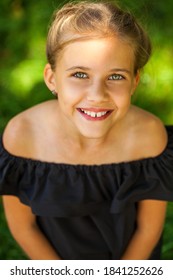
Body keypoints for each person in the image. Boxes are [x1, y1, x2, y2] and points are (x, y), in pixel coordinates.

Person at [0, 0, 173, 260]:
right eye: (80, 74)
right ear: (52, 78)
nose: (97, 95)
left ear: (134, 81)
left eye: (115, 76)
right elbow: (24, 227)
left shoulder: (149, 136)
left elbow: (148, 230)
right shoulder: (22, 137)